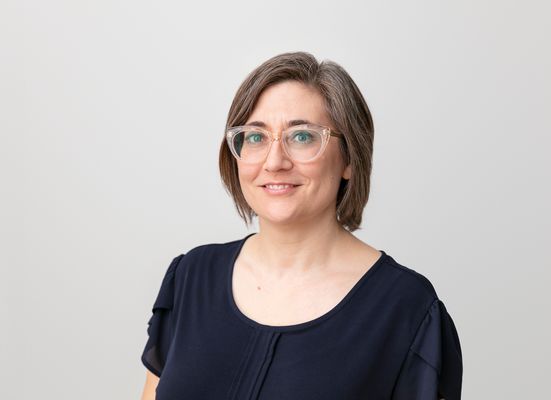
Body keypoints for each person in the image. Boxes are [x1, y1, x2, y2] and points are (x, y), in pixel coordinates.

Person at [140, 51, 463, 400]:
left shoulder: (405, 308)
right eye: (255, 137)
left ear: (349, 159)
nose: (274, 162)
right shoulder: (191, 277)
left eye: (303, 136)